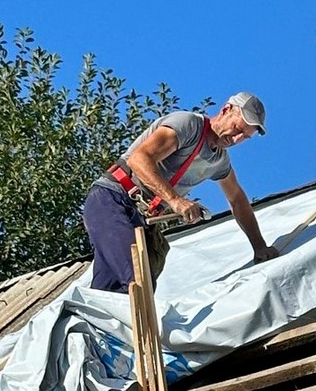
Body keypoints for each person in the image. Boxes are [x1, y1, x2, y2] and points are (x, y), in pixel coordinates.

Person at [83, 91, 280, 293]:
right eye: (237, 128)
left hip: (139, 220)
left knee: (107, 293)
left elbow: (237, 199)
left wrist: (259, 246)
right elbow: (139, 159)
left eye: (244, 137)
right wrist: (175, 200)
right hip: (112, 199)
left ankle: (88, 323)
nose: (236, 138)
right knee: (137, 280)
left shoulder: (219, 160)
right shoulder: (188, 125)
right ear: (225, 110)